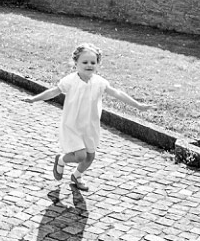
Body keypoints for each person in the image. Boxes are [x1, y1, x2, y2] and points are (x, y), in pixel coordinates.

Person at [26, 42, 148, 195]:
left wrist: (138, 105)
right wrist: (34, 99)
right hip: (72, 125)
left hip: (90, 126)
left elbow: (117, 93)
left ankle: (77, 176)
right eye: (85, 62)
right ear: (75, 63)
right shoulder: (70, 81)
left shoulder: (99, 82)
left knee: (90, 156)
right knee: (80, 155)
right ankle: (62, 159)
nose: (89, 65)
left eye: (93, 62)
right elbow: (53, 92)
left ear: (98, 64)